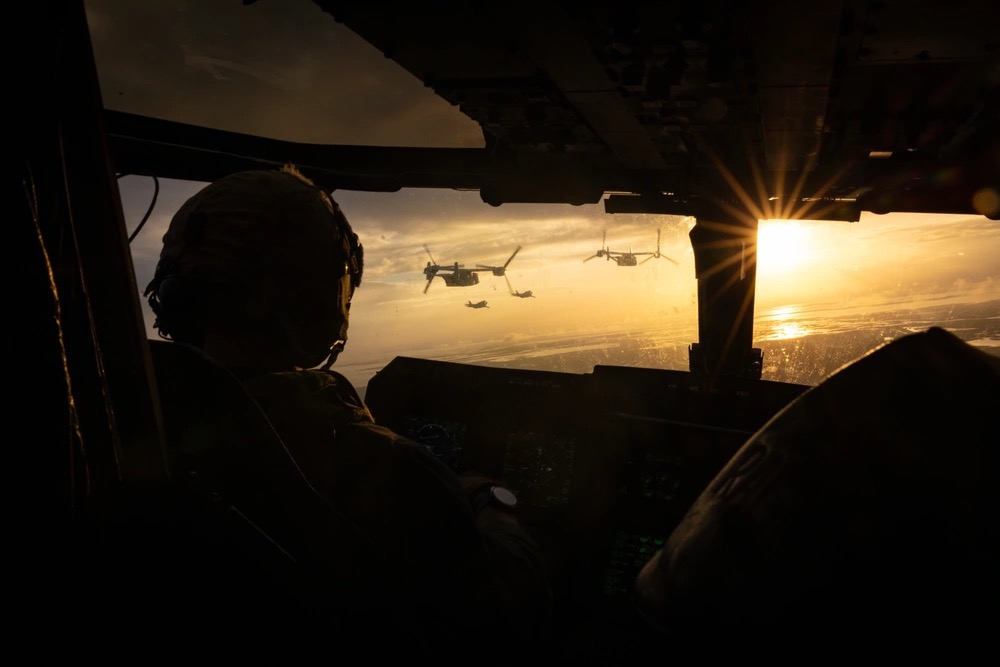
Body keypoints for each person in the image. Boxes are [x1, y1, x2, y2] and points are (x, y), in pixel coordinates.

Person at [142, 164, 553, 658]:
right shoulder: (384, 470)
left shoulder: (125, 422)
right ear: (320, 299)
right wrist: (493, 505)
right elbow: (502, 625)